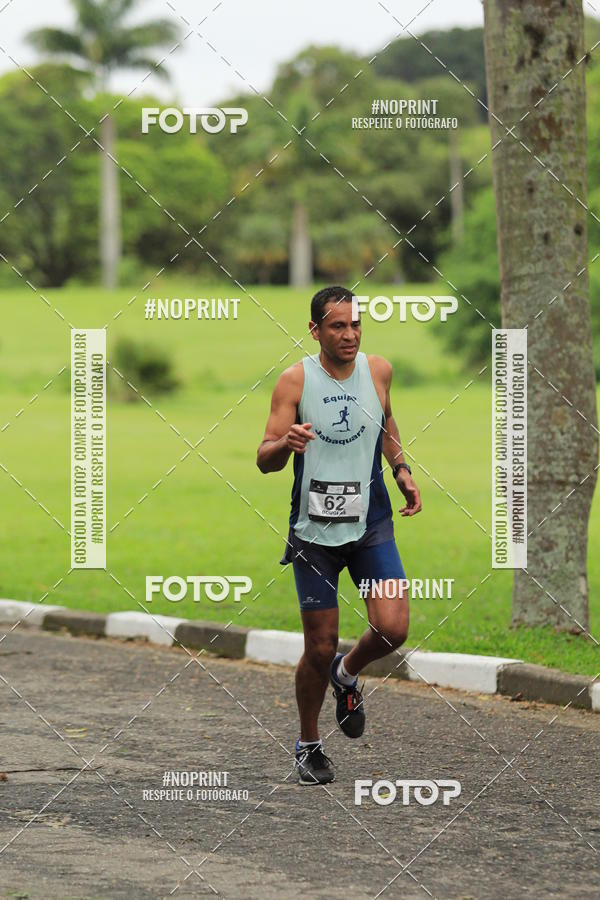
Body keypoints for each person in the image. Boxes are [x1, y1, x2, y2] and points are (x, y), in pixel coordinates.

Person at [256, 285, 422, 785]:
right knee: (319, 646)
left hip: (371, 524)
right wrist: (287, 442)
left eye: (355, 325)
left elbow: (387, 419)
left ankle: (347, 676)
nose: (349, 335)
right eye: (337, 326)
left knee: (393, 628)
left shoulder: (378, 370)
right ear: (315, 330)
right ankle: (309, 745)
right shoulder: (294, 381)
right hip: (314, 535)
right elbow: (264, 459)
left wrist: (401, 469)